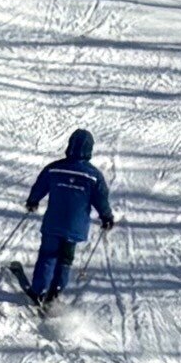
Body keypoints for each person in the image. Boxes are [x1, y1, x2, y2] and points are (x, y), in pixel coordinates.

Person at [21, 128, 116, 305]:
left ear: (70, 145)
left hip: (53, 222)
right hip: (75, 227)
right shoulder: (94, 176)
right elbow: (101, 199)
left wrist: (33, 201)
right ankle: (56, 291)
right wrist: (107, 217)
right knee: (65, 259)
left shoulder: (54, 168)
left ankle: (39, 290)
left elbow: (40, 186)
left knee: (48, 255)